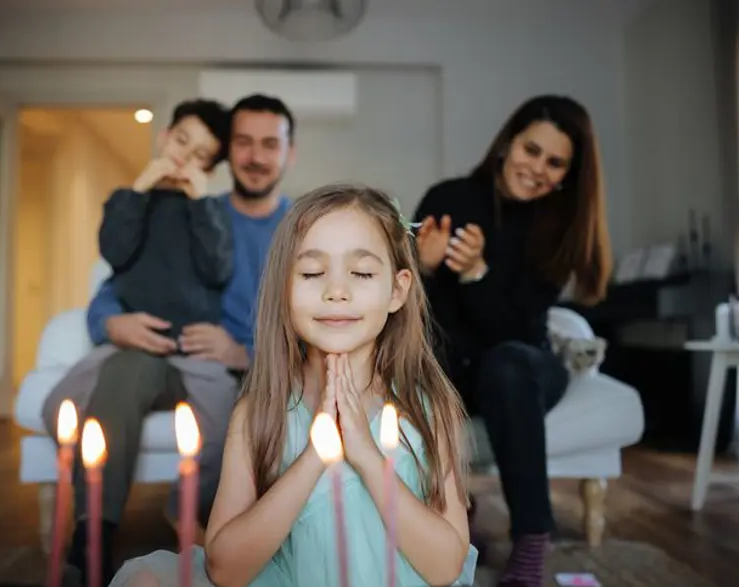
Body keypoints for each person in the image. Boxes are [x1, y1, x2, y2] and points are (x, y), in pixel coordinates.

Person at [107, 184, 479, 587]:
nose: (336, 291)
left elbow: (446, 568)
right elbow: (226, 570)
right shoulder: (258, 413)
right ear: (285, 289)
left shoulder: (429, 409)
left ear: (397, 290)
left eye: (362, 273)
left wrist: (367, 455)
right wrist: (315, 455)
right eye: (312, 273)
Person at [41, 94, 296, 587]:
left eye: (270, 143)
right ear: (230, 154)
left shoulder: (298, 228)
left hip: (238, 369)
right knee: (124, 367)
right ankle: (91, 537)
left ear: (290, 152)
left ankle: (191, 513)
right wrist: (114, 323)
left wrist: (244, 353)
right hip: (158, 354)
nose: (256, 156)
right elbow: (116, 284)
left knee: (231, 413)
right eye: (244, 142)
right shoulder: (180, 209)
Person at [412, 95, 612, 587]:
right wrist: (427, 269)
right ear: (507, 144)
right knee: (422, 357)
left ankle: (531, 537)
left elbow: (518, 332)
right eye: (531, 150)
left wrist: (479, 274)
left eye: (555, 162)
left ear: (568, 173)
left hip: (526, 365)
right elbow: (418, 311)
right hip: (458, 361)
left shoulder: (561, 227)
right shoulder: (448, 197)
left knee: (505, 363)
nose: (538, 168)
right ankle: (453, 507)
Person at [99, 99, 233, 343]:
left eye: (200, 155)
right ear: (163, 137)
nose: (184, 156)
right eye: (181, 141)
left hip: (189, 342)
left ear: (209, 171)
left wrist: (200, 203)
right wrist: (139, 190)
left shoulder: (214, 211)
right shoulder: (125, 199)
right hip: (135, 335)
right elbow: (114, 253)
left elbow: (217, 271)